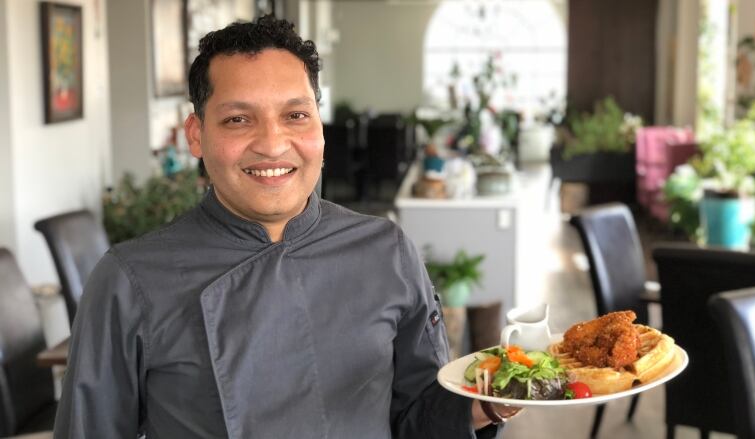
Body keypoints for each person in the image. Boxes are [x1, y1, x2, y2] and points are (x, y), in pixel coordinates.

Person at [53, 15, 519, 438]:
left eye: (295, 115)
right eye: (238, 119)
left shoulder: (386, 251)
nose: (273, 145)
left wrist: (491, 403)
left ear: (319, 127)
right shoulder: (130, 280)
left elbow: (418, 419)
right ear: (196, 135)